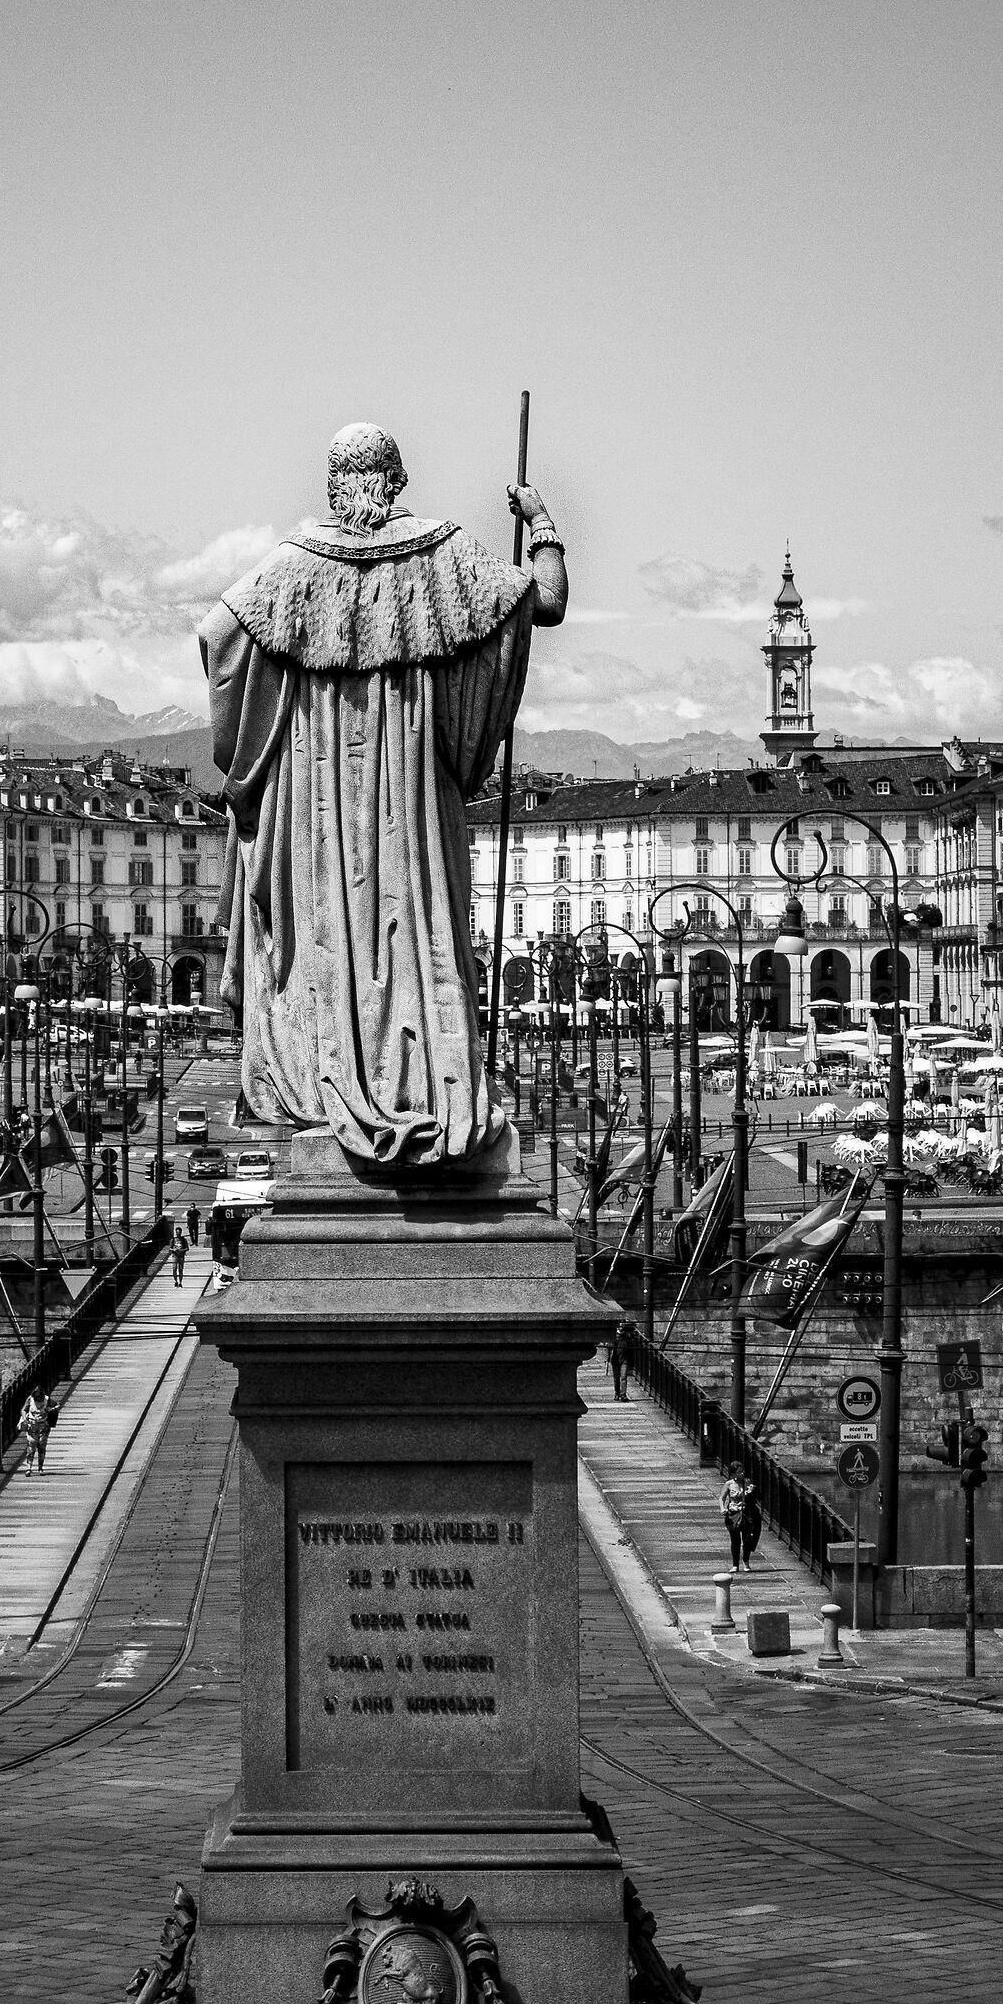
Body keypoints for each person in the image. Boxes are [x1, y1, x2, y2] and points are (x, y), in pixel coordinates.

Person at [201, 423, 567, 1166]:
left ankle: (329, 1070)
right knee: (420, 933)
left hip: (318, 811)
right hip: (414, 802)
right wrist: (541, 524)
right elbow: (547, 601)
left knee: (327, 942)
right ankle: (430, 1078)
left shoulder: (289, 567)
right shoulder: (447, 555)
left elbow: (219, 641)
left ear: (334, 484)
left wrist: (258, 759)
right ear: (395, 480)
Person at [19, 1391, 46, 1479]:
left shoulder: (47, 1399)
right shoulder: (30, 1399)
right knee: (31, 1446)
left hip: (43, 1426)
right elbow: (23, 1409)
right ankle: (29, 1468)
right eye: (36, 1399)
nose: (38, 1400)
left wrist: (52, 1409)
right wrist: (24, 1418)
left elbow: (56, 1406)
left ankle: (40, 1468)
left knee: (41, 1445)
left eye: (40, 1399)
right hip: (32, 1425)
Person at [609, 1318, 631, 1402]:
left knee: (624, 1377)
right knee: (616, 1378)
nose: (621, 1327)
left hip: (624, 1359)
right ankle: (617, 1393)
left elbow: (630, 1349)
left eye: (622, 1325)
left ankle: (623, 1394)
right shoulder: (613, 1336)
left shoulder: (627, 1336)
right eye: (619, 1325)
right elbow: (608, 1348)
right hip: (615, 1359)